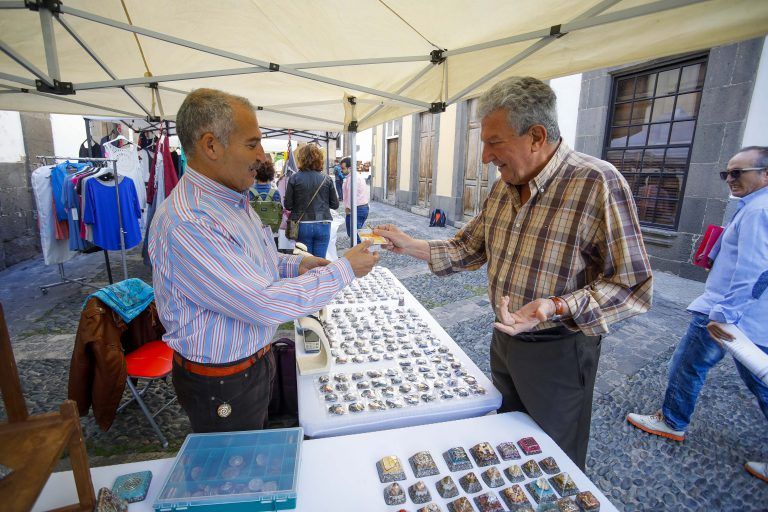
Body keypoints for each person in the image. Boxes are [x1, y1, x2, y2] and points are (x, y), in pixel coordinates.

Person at [375, 76, 653, 469]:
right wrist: (410, 244)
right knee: (507, 445)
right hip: (503, 341)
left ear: (537, 136)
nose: (485, 156)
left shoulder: (597, 183)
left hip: (559, 349)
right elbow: (468, 248)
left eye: (494, 142)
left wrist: (555, 306)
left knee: (552, 462)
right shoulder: (505, 186)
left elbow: (633, 285)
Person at [148, 88, 378, 433]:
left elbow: (254, 259)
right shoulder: (190, 221)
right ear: (211, 145)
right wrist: (344, 270)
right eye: (252, 143)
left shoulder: (229, 200)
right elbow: (262, 303)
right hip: (224, 382)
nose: (262, 156)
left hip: (248, 365)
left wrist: (294, 265)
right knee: (233, 472)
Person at [627, 146, 768, 483]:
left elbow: (754, 270)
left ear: (766, 173)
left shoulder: (758, 210)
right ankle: (673, 419)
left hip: (725, 313)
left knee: (690, 365)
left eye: (738, 173)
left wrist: (724, 314)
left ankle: (673, 421)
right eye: (727, 173)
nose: (730, 179)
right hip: (742, 313)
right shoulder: (752, 206)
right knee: (757, 381)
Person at [284, 144, 339, 258]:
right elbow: (335, 204)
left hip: (302, 224)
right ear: (319, 159)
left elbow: (288, 205)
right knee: (320, 260)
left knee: (305, 261)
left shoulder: (294, 178)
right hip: (323, 223)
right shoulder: (326, 178)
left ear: (301, 159)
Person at [249, 157, 282, 245]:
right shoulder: (275, 193)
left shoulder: (249, 192)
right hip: (272, 232)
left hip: (255, 233)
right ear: (271, 174)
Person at [343, 163, 370, 243]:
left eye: (343, 168)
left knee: (354, 235)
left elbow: (351, 195)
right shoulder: (354, 177)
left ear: (350, 168)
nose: (341, 170)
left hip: (356, 209)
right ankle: (360, 251)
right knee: (354, 234)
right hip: (362, 208)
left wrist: (348, 209)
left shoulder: (353, 179)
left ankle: (361, 252)